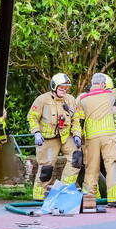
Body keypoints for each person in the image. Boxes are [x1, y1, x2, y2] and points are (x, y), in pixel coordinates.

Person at [70, 73, 116, 209]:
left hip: (91, 137)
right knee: (111, 166)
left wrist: (77, 135)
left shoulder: (82, 99)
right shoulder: (110, 95)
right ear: (103, 84)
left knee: (91, 169)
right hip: (108, 135)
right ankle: (113, 199)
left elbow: (77, 119)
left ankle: (88, 198)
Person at [26, 72, 78, 201]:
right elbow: (31, 117)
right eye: (61, 88)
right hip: (48, 138)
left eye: (66, 88)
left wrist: (77, 134)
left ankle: (64, 189)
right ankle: (39, 195)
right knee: (46, 167)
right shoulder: (42, 99)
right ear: (54, 87)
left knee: (76, 159)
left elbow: (76, 119)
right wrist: (36, 132)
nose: (64, 91)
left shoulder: (70, 99)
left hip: (66, 135)